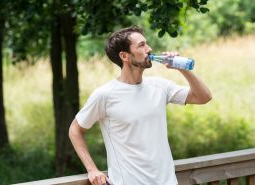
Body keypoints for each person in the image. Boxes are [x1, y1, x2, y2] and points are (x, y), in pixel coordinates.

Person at [69, 26, 212, 185]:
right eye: (141, 45)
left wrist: (182, 69)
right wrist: (92, 169)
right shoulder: (105, 95)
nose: (149, 49)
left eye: (147, 44)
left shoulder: (160, 86)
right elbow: (75, 130)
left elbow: (203, 97)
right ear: (124, 56)